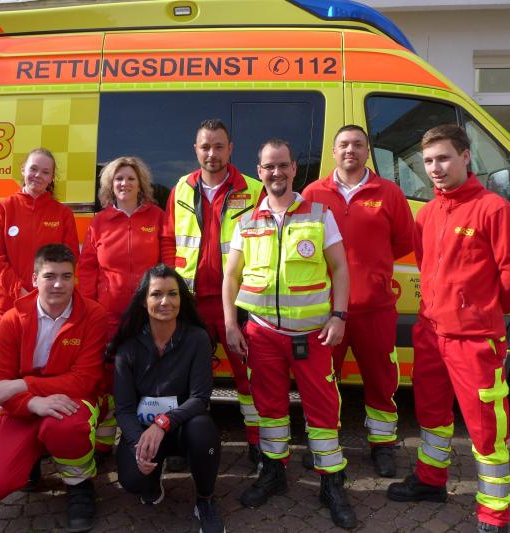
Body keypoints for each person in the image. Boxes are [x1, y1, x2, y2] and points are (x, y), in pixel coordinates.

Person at [387, 125, 510, 533]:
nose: (435, 168)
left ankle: (494, 512)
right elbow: (426, 266)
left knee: (486, 425)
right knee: (431, 412)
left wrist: (478, 313)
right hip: (431, 332)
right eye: (428, 161)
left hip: (474, 339)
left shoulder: (495, 211)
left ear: (466, 157)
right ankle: (431, 480)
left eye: (444, 158)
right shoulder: (427, 214)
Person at [223, 139, 357, 529]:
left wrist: (339, 316)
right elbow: (231, 277)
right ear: (259, 171)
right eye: (269, 166)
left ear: (294, 168)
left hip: (312, 335)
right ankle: (273, 471)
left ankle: (331, 482)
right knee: (269, 408)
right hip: (262, 333)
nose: (276, 172)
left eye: (283, 165)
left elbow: (340, 268)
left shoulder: (319, 214)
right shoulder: (246, 221)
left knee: (323, 409)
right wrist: (231, 323)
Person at [0, 244, 107, 533]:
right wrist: (33, 403)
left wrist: (24, 384)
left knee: (65, 428)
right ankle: (31, 457)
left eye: (66, 276)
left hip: (71, 402)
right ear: (34, 279)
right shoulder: (11, 320)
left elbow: (84, 380)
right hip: (25, 408)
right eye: (49, 276)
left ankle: (79, 484)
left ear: (74, 278)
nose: (59, 284)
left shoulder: (94, 315)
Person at [302, 124, 414, 477]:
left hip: (375, 307)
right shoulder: (313, 193)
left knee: (381, 379)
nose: (350, 150)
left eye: (357, 145)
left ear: (367, 152)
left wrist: (372, 271)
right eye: (344, 145)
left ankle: (383, 445)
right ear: (334, 152)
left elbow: (403, 242)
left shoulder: (389, 193)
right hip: (325, 308)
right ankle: (323, 443)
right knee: (323, 380)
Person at [162, 118, 264, 464]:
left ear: (230, 149)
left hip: (238, 303)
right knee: (188, 379)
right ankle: (186, 442)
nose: (212, 153)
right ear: (196, 149)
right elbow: (168, 241)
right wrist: (172, 292)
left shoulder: (253, 189)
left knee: (249, 378)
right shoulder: (181, 188)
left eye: (219, 146)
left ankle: (258, 443)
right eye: (205, 146)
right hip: (191, 304)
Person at [111, 264, 224, 533]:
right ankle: (151, 481)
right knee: (132, 480)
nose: (165, 302)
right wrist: (138, 444)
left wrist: (162, 423)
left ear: (181, 299)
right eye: (156, 294)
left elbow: (200, 398)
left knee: (203, 430)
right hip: (144, 431)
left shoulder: (197, 338)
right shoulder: (127, 347)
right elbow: (124, 409)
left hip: (183, 427)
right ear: (143, 301)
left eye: (173, 294)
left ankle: (205, 501)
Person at [79, 156, 165, 457]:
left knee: (148, 377)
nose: (124, 183)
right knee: (107, 380)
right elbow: (87, 268)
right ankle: (104, 444)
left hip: (148, 316)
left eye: (130, 178)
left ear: (140, 183)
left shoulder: (157, 217)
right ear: (110, 185)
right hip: (108, 317)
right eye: (118, 179)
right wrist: (89, 309)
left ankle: (146, 443)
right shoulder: (99, 222)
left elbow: (167, 262)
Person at [0, 148, 79, 334]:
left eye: (45, 172)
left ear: (52, 178)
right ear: (23, 169)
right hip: (5, 306)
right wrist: (20, 291)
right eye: (33, 169)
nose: (38, 175)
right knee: (4, 354)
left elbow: (71, 258)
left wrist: (44, 294)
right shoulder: (2, 208)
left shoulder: (63, 214)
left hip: (48, 308)